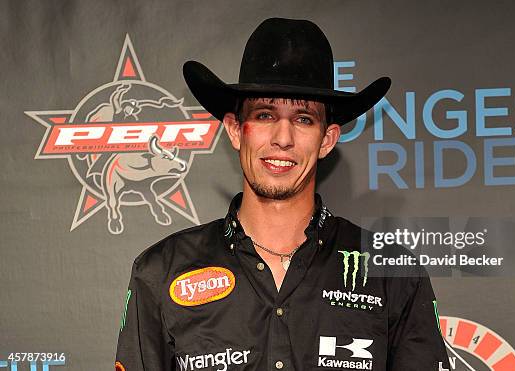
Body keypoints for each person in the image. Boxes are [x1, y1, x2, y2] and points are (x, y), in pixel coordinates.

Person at [115, 17, 450, 371]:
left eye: (304, 118)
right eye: (264, 114)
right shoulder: (161, 272)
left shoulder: (392, 275)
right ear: (235, 131)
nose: (283, 138)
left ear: (327, 139)